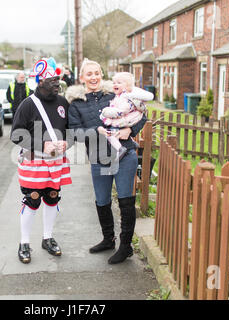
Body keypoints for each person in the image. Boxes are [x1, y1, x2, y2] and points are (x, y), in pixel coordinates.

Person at [66, 59, 147, 264]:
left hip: (124, 155)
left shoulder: (116, 94)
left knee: (125, 200)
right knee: (102, 200)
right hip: (99, 158)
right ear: (82, 78)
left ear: (101, 75)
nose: (93, 77)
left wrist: (131, 130)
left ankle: (126, 246)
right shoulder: (76, 104)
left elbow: (142, 113)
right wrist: (96, 131)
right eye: (89, 74)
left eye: (97, 73)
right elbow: (74, 132)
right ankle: (108, 239)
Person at [11, 57, 72, 264]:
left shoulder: (63, 102)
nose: (57, 83)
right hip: (33, 161)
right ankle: (24, 242)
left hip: (56, 161)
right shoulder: (28, 105)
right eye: (53, 80)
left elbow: (71, 131)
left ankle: (47, 238)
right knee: (33, 198)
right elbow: (16, 134)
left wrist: (67, 143)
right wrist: (41, 145)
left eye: (58, 79)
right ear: (40, 81)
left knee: (53, 197)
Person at [100, 72, 153, 160]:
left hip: (124, 120)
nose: (115, 84)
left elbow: (121, 111)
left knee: (110, 134)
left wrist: (106, 112)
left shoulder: (126, 98)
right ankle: (132, 143)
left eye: (119, 83)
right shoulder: (119, 96)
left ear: (127, 86)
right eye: (114, 82)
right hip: (123, 120)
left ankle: (120, 149)